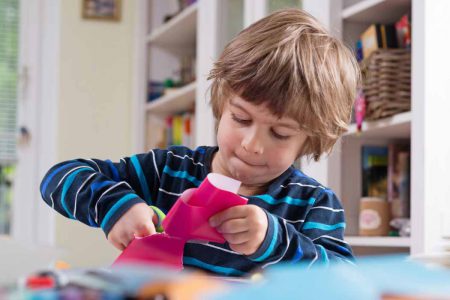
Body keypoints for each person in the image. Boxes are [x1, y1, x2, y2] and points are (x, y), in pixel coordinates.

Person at [40, 8, 359, 276]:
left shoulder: (314, 203)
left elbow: (343, 282)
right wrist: (114, 205)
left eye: (280, 133)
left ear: (310, 139)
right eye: (241, 119)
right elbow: (59, 177)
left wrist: (275, 240)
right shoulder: (168, 170)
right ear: (223, 104)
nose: (252, 144)